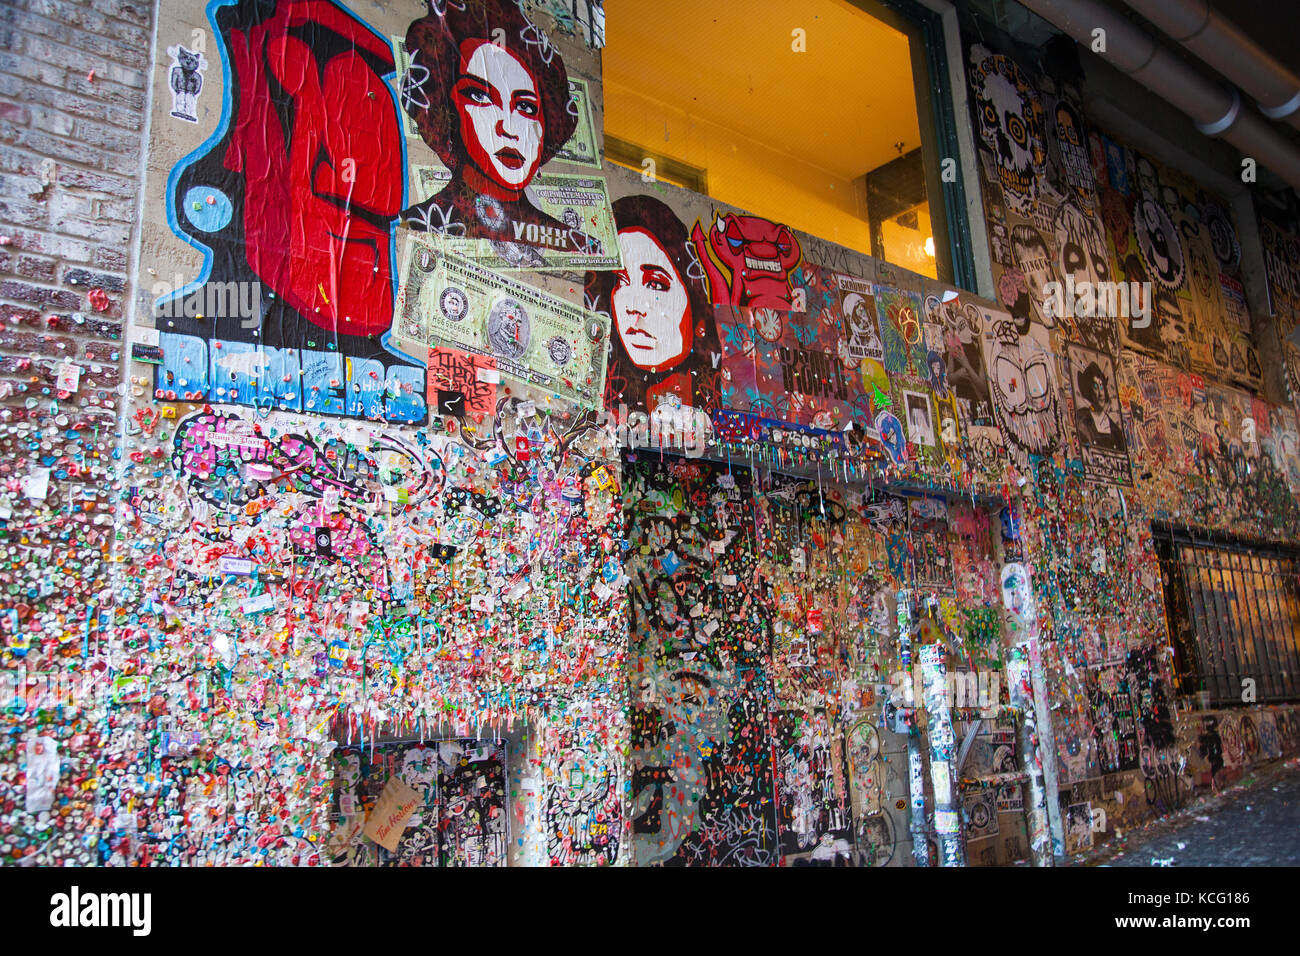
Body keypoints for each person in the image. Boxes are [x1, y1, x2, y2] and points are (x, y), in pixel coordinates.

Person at [401, 0, 593, 252]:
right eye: (480, 96)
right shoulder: (416, 223)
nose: (509, 128)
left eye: (525, 107)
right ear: (448, 109)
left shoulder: (579, 245)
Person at [586, 195, 718, 415]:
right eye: (622, 281)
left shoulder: (712, 407)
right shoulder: (603, 410)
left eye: (656, 284)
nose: (633, 307)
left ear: (692, 297)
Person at [1075, 361, 1124, 451]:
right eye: (1095, 387)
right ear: (1088, 390)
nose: (1100, 393)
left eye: (1101, 387)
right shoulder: (1081, 418)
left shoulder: (1116, 431)